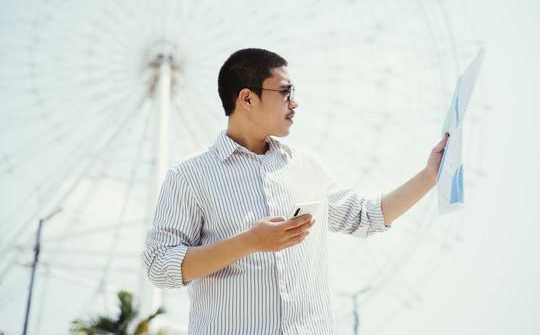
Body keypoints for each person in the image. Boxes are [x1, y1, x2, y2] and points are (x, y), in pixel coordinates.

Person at [142, 48, 449, 334]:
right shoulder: (189, 177)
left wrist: (429, 176)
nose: (295, 102)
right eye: (285, 92)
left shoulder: (306, 166)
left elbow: (364, 217)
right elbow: (159, 266)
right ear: (247, 99)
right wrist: (249, 242)